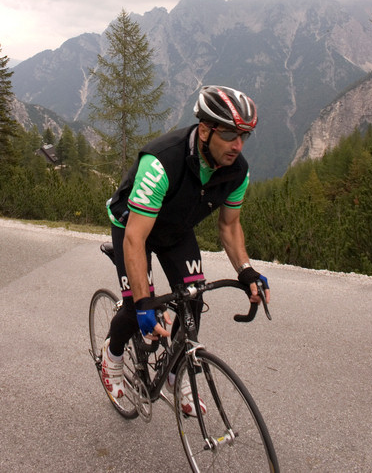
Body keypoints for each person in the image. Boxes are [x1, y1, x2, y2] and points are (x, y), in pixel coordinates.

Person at [102, 85, 270, 415]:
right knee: (135, 309)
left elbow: (229, 226)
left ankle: (174, 375)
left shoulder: (237, 171)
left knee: (192, 302)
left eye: (244, 136)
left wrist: (246, 270)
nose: (238, 145)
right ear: (205, 130)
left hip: (175, 229)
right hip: (133, 227)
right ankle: (113, 357)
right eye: (230, 135)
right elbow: (136, 239)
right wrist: (143, 302)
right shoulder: (162, 161)